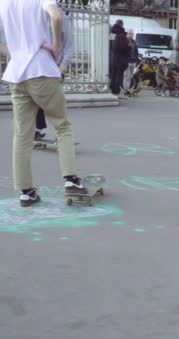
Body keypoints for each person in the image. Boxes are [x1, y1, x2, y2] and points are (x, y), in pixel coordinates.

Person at [0, 0, 87, 207]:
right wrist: (56, 46)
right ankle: (71, 180)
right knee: (62, 125)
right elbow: (56, 17)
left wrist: (13, 53)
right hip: (41, 70)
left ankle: (26, 192)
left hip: (16, 74)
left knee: (22, 134)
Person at [35, 10, 73, 140]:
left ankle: (60, 132)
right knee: (37, 100)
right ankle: (40, 128)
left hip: (57, 67)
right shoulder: (36, 15)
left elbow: (68, 45)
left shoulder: (62, 17)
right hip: (40, 66)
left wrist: (64, 64)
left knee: (56, 103)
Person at [110, 19, 129, 97]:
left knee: (113, 75)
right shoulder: (121, 34)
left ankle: (113, 89)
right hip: (120, 59)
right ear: (122, 25)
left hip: (113, 58)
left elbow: (111, 47)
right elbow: (122, 48)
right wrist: (129, 47)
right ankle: (116, 91)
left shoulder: (112, 33)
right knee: (119, 76)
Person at [123, 29, 139, 96]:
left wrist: (136, 60)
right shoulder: (124, 41)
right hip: (127, 61)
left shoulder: (134, 42)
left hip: (133, 61)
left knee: (131, 76)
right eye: (129, 33)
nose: (130, 35)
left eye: (132, 33)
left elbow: (136, 52)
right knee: (127, 76)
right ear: (127, 34)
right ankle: (126, 90)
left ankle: (128, 90)